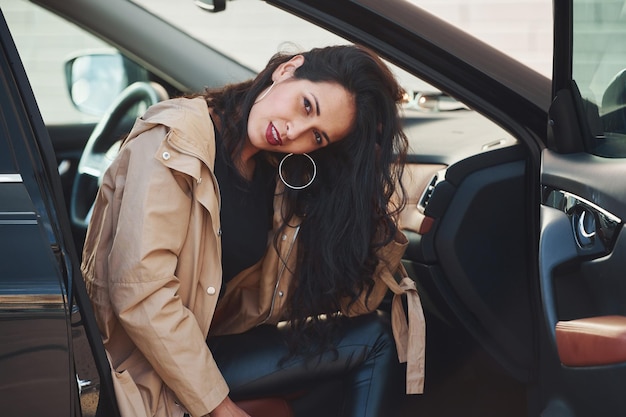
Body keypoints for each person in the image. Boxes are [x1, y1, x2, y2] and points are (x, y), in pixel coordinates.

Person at [81, 44, 425, 417]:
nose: (297, 132)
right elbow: (141, 292)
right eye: (307, 105)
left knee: (373, 335)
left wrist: (362, 184)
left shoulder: (276, 171)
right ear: (288, 69)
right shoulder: (175, 140)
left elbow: (355, 301)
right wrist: (220, 407)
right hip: (140, 366)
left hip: (205, 345)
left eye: (319, 137)